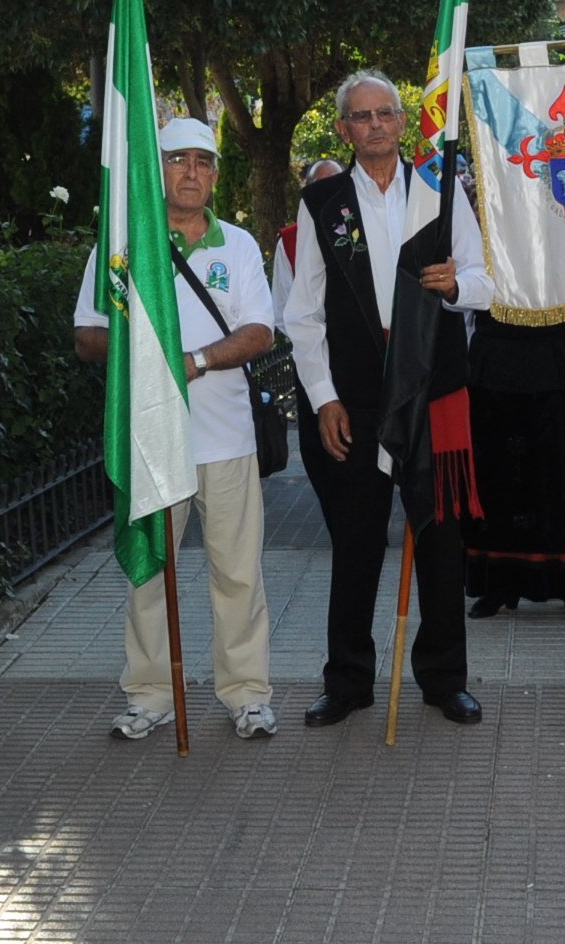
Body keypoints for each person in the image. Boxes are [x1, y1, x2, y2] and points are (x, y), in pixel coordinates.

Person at [285, 71, 491, 728]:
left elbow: (488, 285)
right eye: (360, 117)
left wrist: (457, 283)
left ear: (403, 123)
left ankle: (443, 678)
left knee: (440, 538)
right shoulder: (322, 202)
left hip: (432, 387)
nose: (373, 125)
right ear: (344, 129)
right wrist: (322, 398)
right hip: (357, 396)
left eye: (384, 114)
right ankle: (346, 681)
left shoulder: (441, 189)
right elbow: (303, 315)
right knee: (355, 541)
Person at [73, 117, 278, 740]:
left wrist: (195, 361)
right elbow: (86, 334)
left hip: (228, 438)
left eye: (203, 161)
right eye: (177, 159)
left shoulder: (237, 245)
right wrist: (143, 358)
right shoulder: (122, 242)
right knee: (149, 572)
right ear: (155, 169)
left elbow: (260, 330)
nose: (191, 171)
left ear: (217, 173)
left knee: (239, 572)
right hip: (151, 438)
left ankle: (247, 695)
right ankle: (151, 695)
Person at [460, 313, 565, 620]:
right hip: (492, 359)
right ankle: (495, 585)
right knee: (496, 479)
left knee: (561, 479)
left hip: (553, 358)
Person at [272, 159, 344, 333]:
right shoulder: (289, 242)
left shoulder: (364, 229)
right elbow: (282, 310)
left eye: (336, 184)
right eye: (320, 186)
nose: (328, 193)